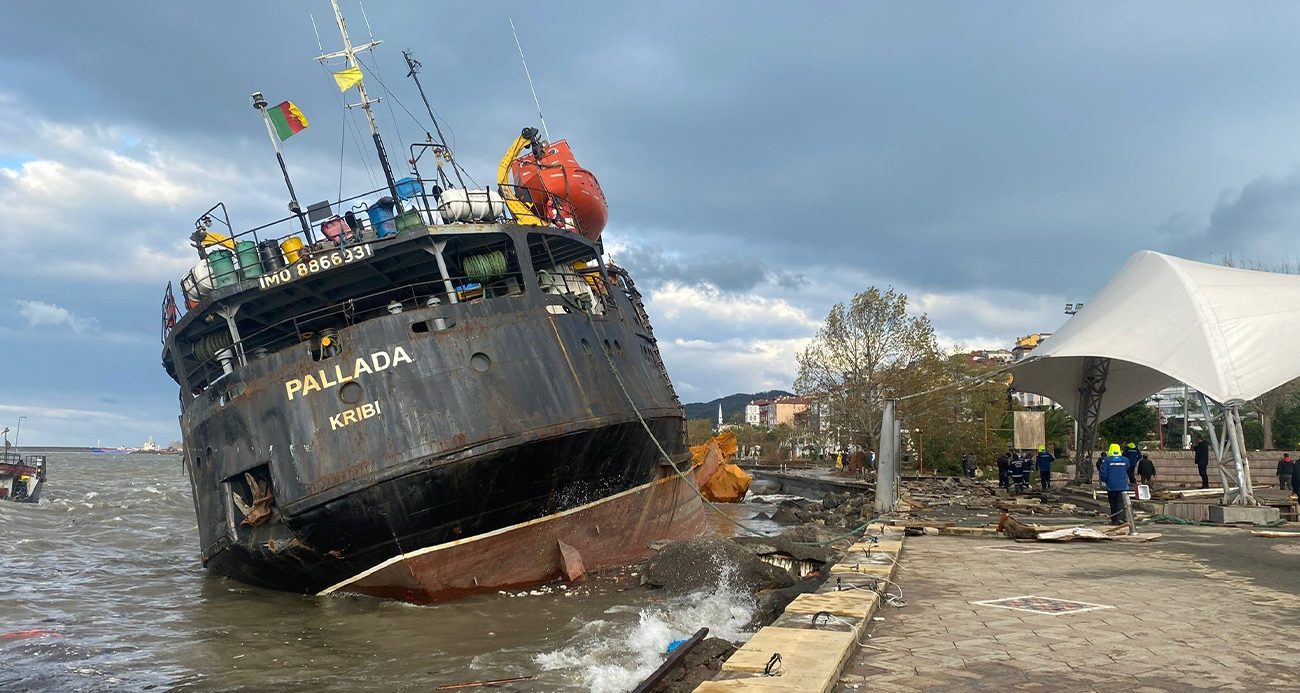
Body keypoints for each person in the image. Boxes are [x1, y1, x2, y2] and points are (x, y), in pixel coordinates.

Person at [1100, 443, 1135, 524]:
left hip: (1111, 485)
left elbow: (1103, 473)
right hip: (1122, 485)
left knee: (1113, 503)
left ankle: (1115, 520)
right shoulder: (1125, 460)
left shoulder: (1107, 460)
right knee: (1121, 503)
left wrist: (1105, 481)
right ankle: (1121, 518)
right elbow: (1127, 467)